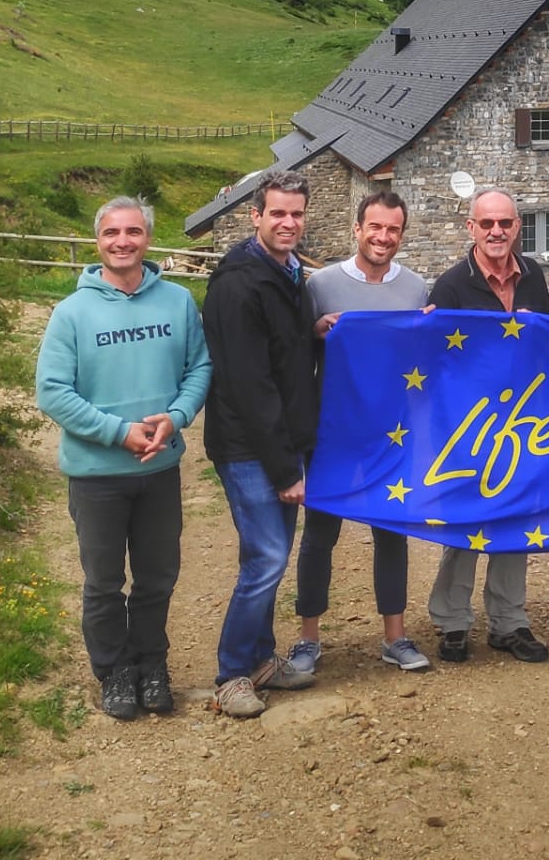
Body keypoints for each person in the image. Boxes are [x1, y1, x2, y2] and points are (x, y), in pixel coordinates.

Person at [36, 197, 211, 720]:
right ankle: (114, 672)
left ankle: (152, 665)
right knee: (104, 582)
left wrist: (175, 418)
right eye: (112, 233)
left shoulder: (178, 303)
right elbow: (52, 392)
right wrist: (119, 433)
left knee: (158, 577)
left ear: (147, 240)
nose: (122, 242)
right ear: (98, 241)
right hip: (97, 476)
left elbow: (199, 368)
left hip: (159, 470)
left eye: (133, 232)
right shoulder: (71, 313)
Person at [288, 191, 431, 674]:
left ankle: (396, 636)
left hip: (392, 434)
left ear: (402, 234)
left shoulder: (416, 289)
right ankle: (308, 639)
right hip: (333, 433)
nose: (383, 238)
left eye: (393, 230)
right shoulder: (320, 285)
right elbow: (294, 351)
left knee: (391, 531)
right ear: (357, 229)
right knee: (320, 533)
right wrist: (314, 330)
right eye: (375, 227)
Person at [202, 170, 319, 717]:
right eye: (277, 213)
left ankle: (264, 660)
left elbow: (283, 350)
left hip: (282, 442)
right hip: (249, 447)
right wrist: (285, 470)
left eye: (296, 213)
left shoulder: (289, 272)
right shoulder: (237, 284)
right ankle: (231, 674)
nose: (288, 222)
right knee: (266, 558)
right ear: (256, 216)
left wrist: (312, 332)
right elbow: (249, 386)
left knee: (274, 555)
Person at [426, 187, 549, 663]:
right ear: (471, 229)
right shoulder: (451, 286)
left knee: (514, 518)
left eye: (505, 223)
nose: (497, 232)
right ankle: (453, 621)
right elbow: (433, 362)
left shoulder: (534, 276)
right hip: (468, 427)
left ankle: (509, 621)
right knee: (466, 521)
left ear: (517, 227)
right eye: (487, 224)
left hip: (523, 423)